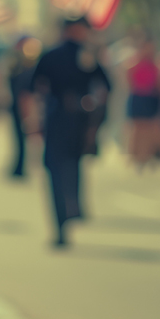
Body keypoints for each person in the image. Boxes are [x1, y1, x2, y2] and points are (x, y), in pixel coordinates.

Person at [31, 17, 101, 248]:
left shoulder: (67, 55)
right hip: (74, 119)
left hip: (61, 119)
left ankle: (63, 220)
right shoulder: (84, 55)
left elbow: (33, 88)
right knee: (69, 167)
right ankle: (70, 211)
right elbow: (105, 87)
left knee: (59, 171)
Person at [125, 32, 160, 171]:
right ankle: (136, 155)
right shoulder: (135, 63)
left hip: (151, 98)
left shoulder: (156, 64)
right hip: (139, 98)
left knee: (150, 129)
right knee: (138, 128)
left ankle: (146, 155)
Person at [7, 36, 41, 179]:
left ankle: (21, 167)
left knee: (24, 138)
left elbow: (27, 95)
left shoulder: (30, 70)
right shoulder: (16, 66)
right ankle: (19, 166)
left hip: (23, 107)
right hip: (16, 106)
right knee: (18, 139)